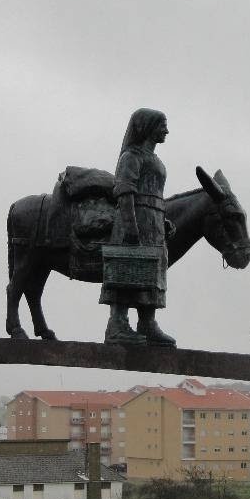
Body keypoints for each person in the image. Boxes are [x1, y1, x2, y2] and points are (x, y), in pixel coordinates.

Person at [100, 109, 176, 347]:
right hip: (132, 221)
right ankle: (117, 324)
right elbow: (124, 191)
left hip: (153, 224)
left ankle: (147, 322)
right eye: (162, 125)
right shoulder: (131, 156)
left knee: (152, 272)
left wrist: (161, 220)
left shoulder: (156, 160)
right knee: (126, 269)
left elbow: (153, 194)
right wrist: (131, 226)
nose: (166, 130)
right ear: (147, 127)